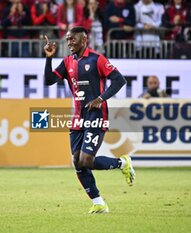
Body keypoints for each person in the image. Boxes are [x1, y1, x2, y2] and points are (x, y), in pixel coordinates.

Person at [44, 26, 135, 214]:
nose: (69, 42)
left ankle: (122, 163)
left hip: (96, 115)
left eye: (73, 39)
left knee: (86, 160)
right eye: (67, 39)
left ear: (84, 39)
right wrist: (48, 58)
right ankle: (99, 202)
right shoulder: (68, 61)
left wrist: (100, 98)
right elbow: (49, 80)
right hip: (77, 117)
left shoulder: (97, 59)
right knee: (77, 162)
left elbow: (119, 80)